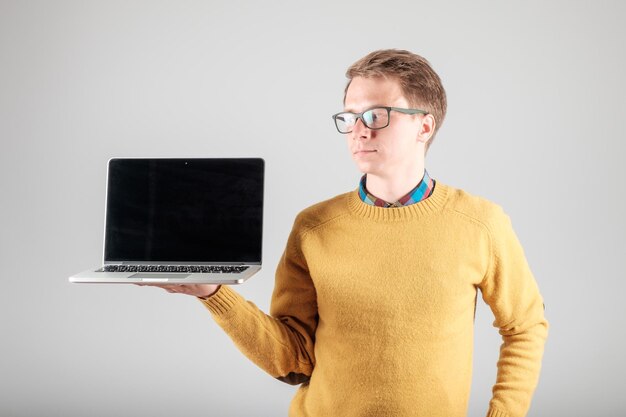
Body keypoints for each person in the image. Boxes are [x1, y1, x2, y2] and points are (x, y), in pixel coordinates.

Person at [143, 49, 548, 417]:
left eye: (376, 115)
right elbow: (292, 360)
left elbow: (526, 326)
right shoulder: (314, 227)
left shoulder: (480, 223)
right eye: (350, 117)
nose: (358, 130)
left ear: (425, 126)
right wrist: (213, 294)